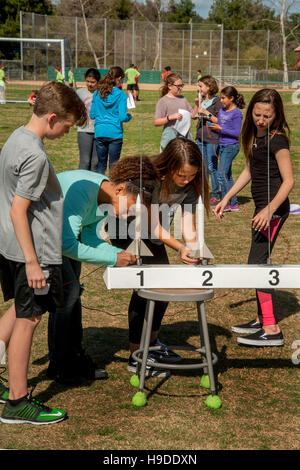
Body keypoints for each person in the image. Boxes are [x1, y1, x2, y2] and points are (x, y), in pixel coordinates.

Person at [0, 81, 87, 425]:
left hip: (8, 247)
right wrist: (34, 263)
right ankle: (18, 401)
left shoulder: (16, 137)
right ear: (52, 118)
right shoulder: (35, 155)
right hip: (27, 253)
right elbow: (18, 209)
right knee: (29, 319)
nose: (68, 131)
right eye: (67, 125)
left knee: (19, 311)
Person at [47, 156, 158, 385]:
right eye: (129, 209)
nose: (127, 217)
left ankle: (74, 356)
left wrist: (114, 254)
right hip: (47, 240)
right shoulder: (82, 193)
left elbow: (88, 235)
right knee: (66, 296)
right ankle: (59, 365)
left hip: (63, 238)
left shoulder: (106, 196)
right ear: (119, 189)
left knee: (73, 295)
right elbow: (66, 243)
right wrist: (111, 257)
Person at [113, 138, 210, 376]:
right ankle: (136, 356)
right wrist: (179, 248)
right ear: (168, 167)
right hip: (126, 227)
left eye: (192, 176)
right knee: (147, 287)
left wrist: (195, 248)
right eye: (181, 176)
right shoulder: (149, 179)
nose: (187, 180)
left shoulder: (191, 183)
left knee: (164, 283)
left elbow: (187, 222)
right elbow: (152, 224)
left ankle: (152, 344)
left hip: (155, 231)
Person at [214, 88, 294, 347]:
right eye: (257, 114)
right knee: (256, 263)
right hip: (262, 210)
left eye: (267, 116)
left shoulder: (278, 140)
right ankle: (262, 319)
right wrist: (227, 198)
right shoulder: (255, 136)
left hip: (272, 211)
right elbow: (249, 170)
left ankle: (271, 329)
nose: (261, 120)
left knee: (258, 265)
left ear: (277, 115)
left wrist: (269, 210)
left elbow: (289, 181)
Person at [209, 86, 245, 212]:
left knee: (221, 175)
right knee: (227, 175)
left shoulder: (236, 114)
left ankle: (228, 202)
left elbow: (236, 133)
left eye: (223, 98)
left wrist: (220, 129)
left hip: (231, 147)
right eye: (220, 98)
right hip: (222, 145)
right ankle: (233, 203)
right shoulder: (222, 111)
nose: (221, 100)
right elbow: (221, 124)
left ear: (232, 98)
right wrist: (215, 127)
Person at [90, 66, 132, 175]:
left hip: (100, 132)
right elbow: (122, 117)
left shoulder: (96, 93)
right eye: (122, 79)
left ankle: (99, 189)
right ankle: (111, 190)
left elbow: (92, 114)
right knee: (114, 166)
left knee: (101, 164)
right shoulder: (121, 94)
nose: (122, 82)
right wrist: (129, 116)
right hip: (115, 133)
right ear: (118, 79)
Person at [195, 75, 222, 206]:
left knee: (212, 167)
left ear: (209, 87)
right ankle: (204, 192)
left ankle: (216, 194)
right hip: (200, 138)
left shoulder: (217, 102)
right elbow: (195, 117)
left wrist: (206, 112)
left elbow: (218, 120)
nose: (198, 88)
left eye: (201, 86)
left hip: (212, 139)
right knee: (203, 167)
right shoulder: (201, 100)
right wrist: (197, 105)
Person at [154, 73, 198, 151]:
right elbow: (156, 122)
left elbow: (193, 116)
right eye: (178, 86)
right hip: (170, 134)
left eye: (182, 85)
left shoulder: (183, 99)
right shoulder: (163, 101)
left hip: (185, 134)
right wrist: (170, 117)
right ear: (170, 86)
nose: (181, 88)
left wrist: (197, 105)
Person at [76, 68, 101, 172]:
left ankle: (93, 187)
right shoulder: (79, 93)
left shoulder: (102, 93)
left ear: (98, 82)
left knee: (95, 162)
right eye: (88, 81)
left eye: (93, 82)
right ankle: (81, 185)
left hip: (99, 131)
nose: (90, 84)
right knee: (85, 161)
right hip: (84, 130)